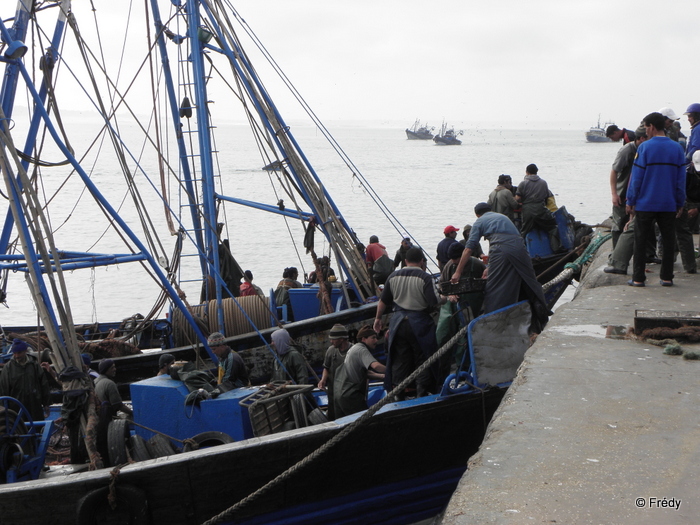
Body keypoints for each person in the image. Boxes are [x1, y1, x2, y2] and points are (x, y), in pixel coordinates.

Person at [451, 203, 550, 334]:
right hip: (520, 247)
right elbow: (501, 239)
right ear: (490, 210)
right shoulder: (502, 217)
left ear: (477, 214)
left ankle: (493, 325)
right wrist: (490, 266)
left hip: (502, 249)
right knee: (529, 281)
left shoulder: (479, 221)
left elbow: (469, 248)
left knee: (494, 288)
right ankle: (541, 312)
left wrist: (457, 272)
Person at [373, 246, 445, 398]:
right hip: (419, 324)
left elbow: (383, 301)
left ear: (405, 261)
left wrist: (378, 319)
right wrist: (446, 297)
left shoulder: (393, 276)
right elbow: (434, 301)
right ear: (421, 261)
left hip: (398, 323)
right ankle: (421, 393)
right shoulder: (425, 277)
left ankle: (399, 394)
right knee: (423, 359)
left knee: (400, 360)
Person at [626, 112, 686, 287]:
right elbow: (680, 179)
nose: (646, 131)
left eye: (646, 127)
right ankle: (666, 277)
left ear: (651, 126)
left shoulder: (644, 148)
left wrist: (630, 200)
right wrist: (680, 202)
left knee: (641, 240)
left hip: (646, 203)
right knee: (668, 241)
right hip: (668, 203)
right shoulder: (676, 148)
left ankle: (638, 278)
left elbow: (636, 178)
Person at [607, 125, 647, 250]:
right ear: (641, 139)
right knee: (618, 224)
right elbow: (614, 171)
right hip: (623, 192)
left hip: (638, 193)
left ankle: (647, 254)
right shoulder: (627, 150)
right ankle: (615, 254)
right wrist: (614, 194)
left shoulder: (646, 150)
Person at [333, 325, 386, 418]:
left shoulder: (354, 348)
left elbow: (364, 373)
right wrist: (391, 370)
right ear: (363, 339)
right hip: (350, 395)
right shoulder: (361, 349)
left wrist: (382, 376)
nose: (376, 341)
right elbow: (376, 366)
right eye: (373, 338)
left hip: (340, 395)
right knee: (365, 422)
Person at [0, 339, 50, 421]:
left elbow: (43, 385)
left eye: (19, 353)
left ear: (25, 351)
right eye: (15, 353)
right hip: (16, 408)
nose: (16, 355)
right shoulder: (8, 368)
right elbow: (3, 389)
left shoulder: (34, 366)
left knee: (36, 429)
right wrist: (4, 409)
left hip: (34, 406)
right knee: (18, 430)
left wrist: (46, 404)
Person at [516, 163, 562, 253]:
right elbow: (546, 197)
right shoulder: (543, 183)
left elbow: (518, 198)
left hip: (527, 210)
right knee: (552, 227)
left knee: (524, 232)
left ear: (527, 172)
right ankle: (557, 248)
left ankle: (519, 252)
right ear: (536, 172)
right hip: (540, 209)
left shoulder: (523, 183)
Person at [94, 358, 133, 464]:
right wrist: (132, 413)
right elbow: (118, 405)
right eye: (112, 368)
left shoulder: (96, 381)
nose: (115, 369)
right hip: (107, 419)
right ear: (106, 370)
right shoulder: (110, 384)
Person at [317, 324, 351, 420]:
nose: (331, 341)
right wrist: (323, 380)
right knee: (334, 415)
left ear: (341, 339)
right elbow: (326, 368)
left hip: (348, 393)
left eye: (333, 339)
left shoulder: (353, 351)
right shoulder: (331, 351)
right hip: (333, 392)